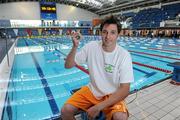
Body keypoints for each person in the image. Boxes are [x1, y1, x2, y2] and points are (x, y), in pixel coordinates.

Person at [61, 15, 134, 120]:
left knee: (120, 117)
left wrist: (98, 107)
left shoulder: (124, 55)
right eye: (105, 32)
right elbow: (68, 65)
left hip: (113, 94)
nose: (108, 36)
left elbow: (125, 90)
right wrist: (75, 46)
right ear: (100, 33)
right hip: (92, 91)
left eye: (112, 32)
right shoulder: (92, 47)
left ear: (118, 34)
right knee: (65, 110)